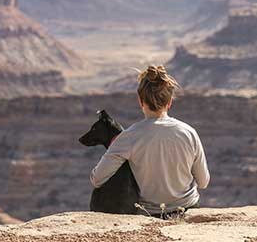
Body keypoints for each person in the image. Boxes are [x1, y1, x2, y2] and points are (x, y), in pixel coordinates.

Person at [90, 65, 210, 217]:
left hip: (151, 214)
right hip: (188, 209)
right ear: (169, 102)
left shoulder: (129, 137)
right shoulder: (189, 132)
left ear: (140, 101)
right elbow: (203, 182)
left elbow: (97, 179)